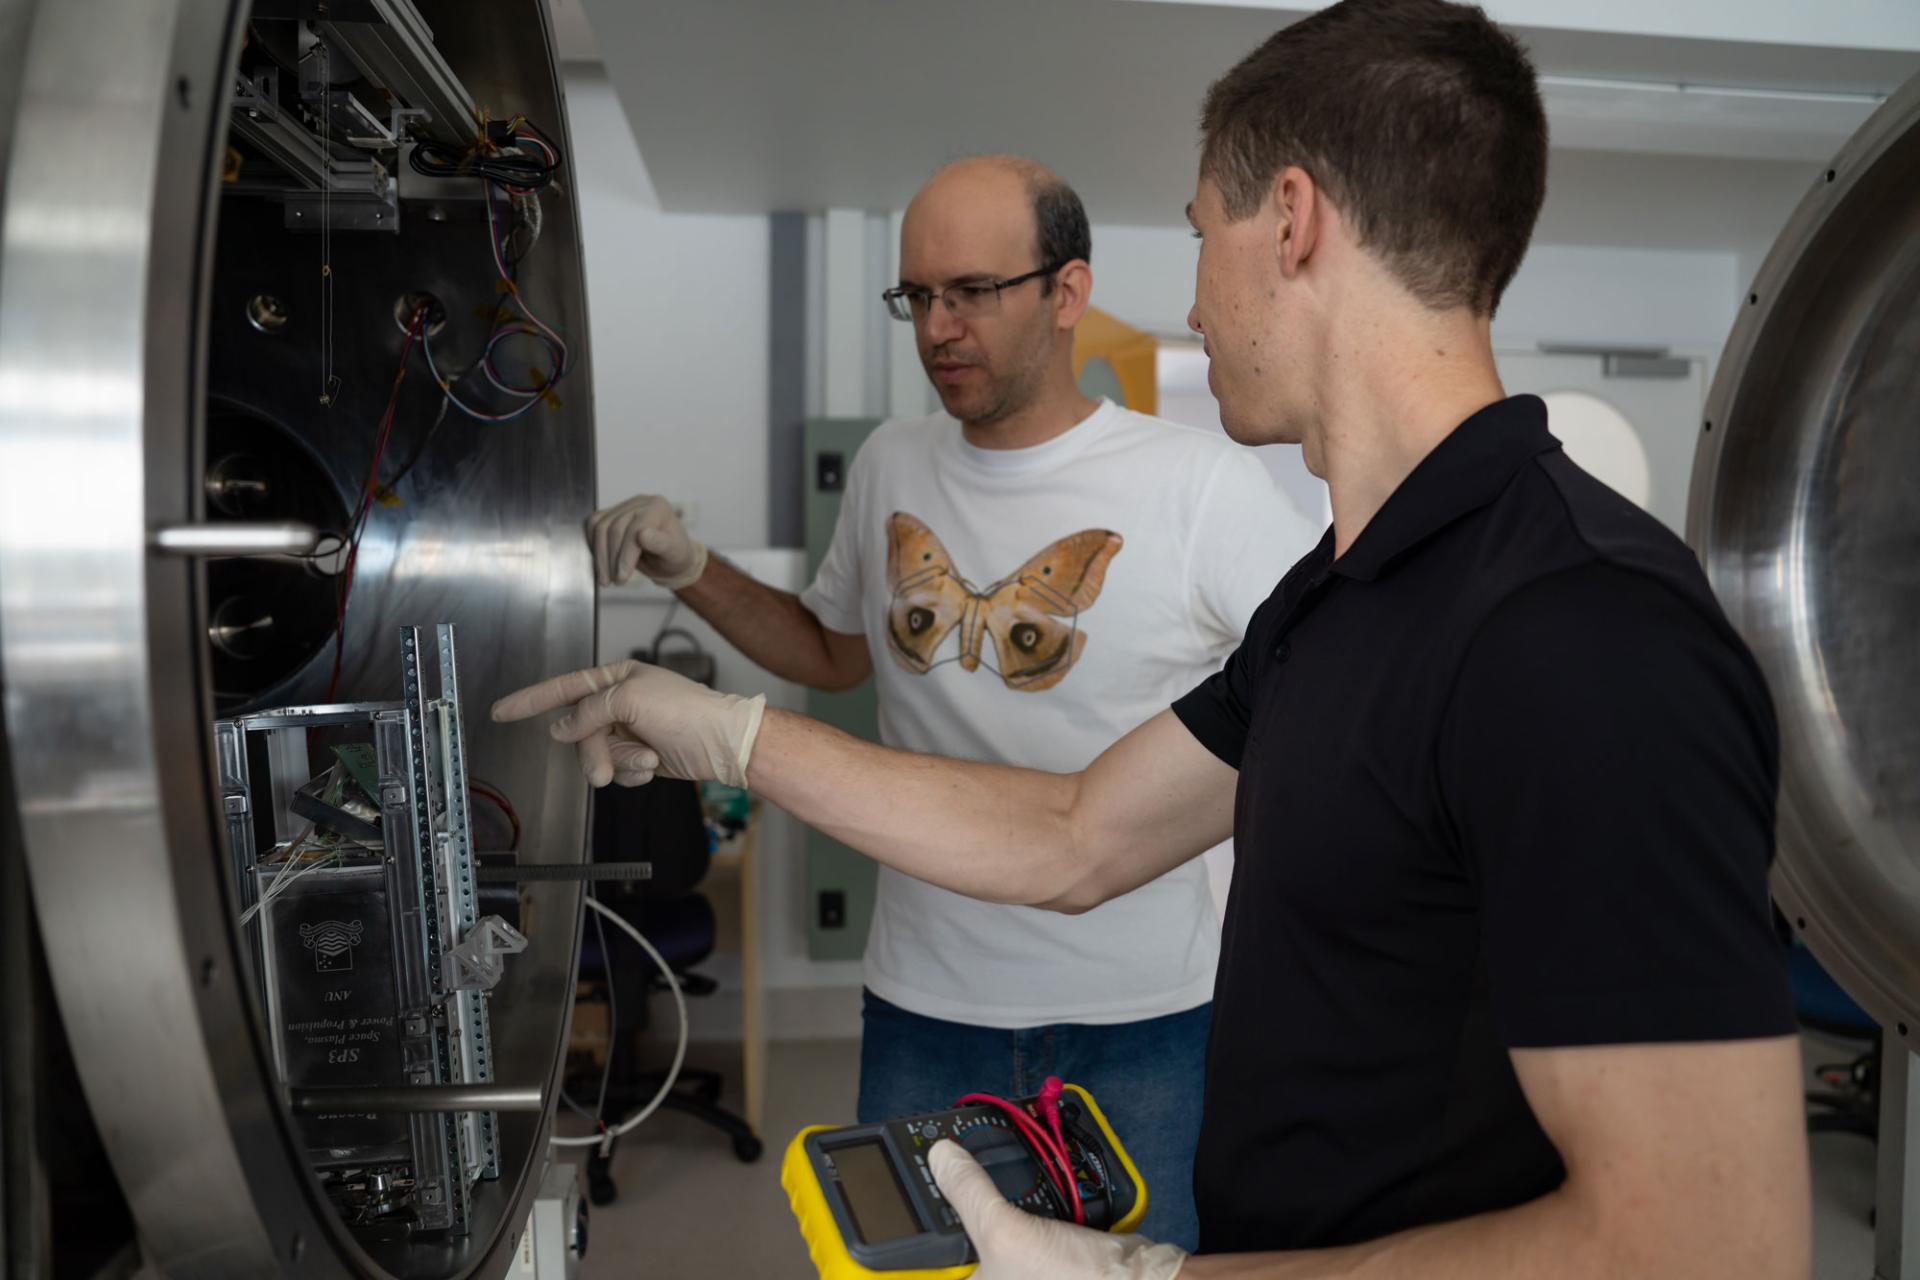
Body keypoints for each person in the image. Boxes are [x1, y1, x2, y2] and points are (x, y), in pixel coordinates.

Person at [497, 1, 1812, 1275]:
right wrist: (730, 734)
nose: (1187, 307)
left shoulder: (1583, 634)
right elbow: (1075, 835)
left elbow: (1704, 1246)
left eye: (1198, 237)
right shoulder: (1341, 597)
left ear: (1289, 220)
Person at [581, 154, 1316, 1250]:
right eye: (917, 296)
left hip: (1144, 1017)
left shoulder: (1197, 484)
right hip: (927, 1005)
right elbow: (834, 652)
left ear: (1066, 293)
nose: (937, 327)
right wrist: (691, 565)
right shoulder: (889, 464)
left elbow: (1328, 689)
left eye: (971, 290)